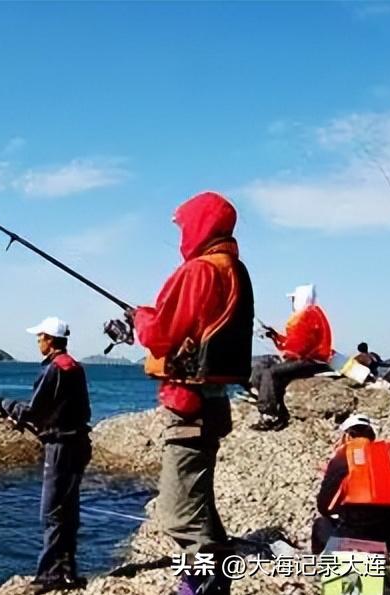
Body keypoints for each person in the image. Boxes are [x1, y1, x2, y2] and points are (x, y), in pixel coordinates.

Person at [130, 191, 254, 595]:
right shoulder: (235, 269)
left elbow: (160, 331)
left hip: (190, 410)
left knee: (179, 514)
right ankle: (218, 573)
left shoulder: (199, 271)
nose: (182, 233)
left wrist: (138, 318)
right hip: (214, 403)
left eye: (184, 225)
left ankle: (201, 584)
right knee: (199, 501)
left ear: (200, 225)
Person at [1, 316, 92, 594]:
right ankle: (67, 571)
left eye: (40, 337)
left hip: (61, 448)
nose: (38, 341)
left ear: (50, 340)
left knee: (52, 512)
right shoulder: (74, 367)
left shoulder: (55, 369)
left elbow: (34, 411)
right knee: (69, 510)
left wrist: (5, 404)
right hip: (79, 444)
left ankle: (49, 575)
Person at [311, 414, 390, 555]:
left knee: (320, 525)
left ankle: (319, 566)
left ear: (348, 436)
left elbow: (325, 506)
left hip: (357, 538)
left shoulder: (344, 456)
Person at [251, 284, 333, 431]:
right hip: (304, 358)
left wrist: (279, 342)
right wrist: (275, 336)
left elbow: (298, 347)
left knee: (271, 373)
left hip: (310, 361)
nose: (292, 302)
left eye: (294, 298)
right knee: (259, 370)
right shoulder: (309, 315)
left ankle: (269, 414)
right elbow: (292, 343)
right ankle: (274, 405)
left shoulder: (307, 317)